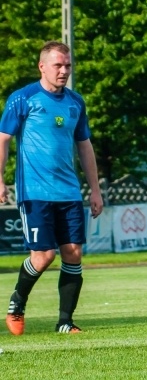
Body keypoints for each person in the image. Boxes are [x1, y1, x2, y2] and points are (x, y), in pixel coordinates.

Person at [0, 41, 103, 335]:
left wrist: (94, 190)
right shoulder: (23, 99)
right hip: (34, 192)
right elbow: (3, 140)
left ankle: (65, 321)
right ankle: (17, 302)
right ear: (42, 66)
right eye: (58, 65)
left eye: (68, 65)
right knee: (44, 256)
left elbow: (84, 146)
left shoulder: (75, 102)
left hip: (69, 192)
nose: (64, 71)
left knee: (73, 252)